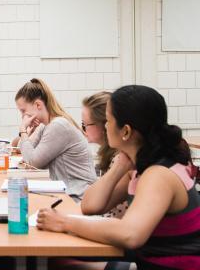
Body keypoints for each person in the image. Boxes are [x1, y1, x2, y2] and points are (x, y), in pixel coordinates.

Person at [37, 85, 200, 269]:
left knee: (62, 264)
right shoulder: (139, 166)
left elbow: (131, 234)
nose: (105, 126)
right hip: (150, 259)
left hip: (170, 264)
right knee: (59, 261)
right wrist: (120, 166)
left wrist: (64, 222)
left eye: (108, 120)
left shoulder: (159, 175)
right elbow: (91, 206)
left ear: (126, 131)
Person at [16, 78, 96, 198]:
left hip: (80, 196)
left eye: (23, 111)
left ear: (38, 104)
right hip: (70, 192)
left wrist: (23, 130)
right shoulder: (46, 126)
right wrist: (28, 132)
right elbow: (23, 151)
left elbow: (34, 161)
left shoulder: (58, 126)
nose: (22, 116)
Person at [82, 92, 127, 218]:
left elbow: (92, 208)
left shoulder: (122, 160)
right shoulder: (113, 156)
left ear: (104, 125)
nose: (83, 130)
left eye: (85, 125)